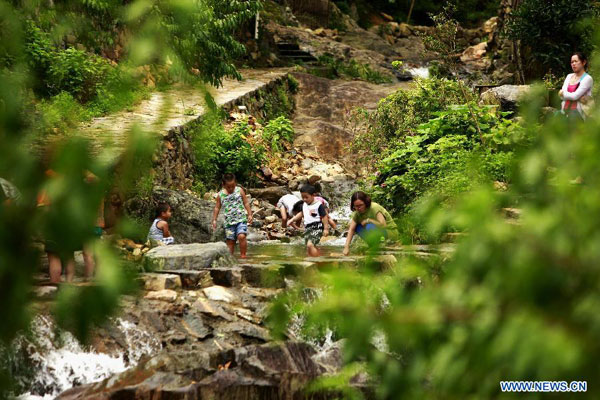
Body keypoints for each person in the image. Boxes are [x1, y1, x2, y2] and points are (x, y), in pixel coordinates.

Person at [343, 191, 398, 256]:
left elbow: (383, 225)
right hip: (377, 233)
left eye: (361, 205)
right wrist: (346, 247)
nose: (359, 208)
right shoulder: (357, 213)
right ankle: (373, 245)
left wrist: (368, 220)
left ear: (366, 202)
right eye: (356, 206)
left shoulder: (374, 207)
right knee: (357, 227)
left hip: (389, 232)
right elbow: (351, 229)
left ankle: (379, 244)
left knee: (369, 226)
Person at [212, 173, 253, 258]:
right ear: (223, 185)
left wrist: (249, 214)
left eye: (233, 186)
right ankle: (230, 259)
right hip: (229, 222)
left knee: (241, 236)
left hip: (241, 219)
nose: (231, 189)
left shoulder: (239, 190)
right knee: (230, 241)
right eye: (228, 187)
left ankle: (243, 256)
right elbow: (217, 208)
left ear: (235, 183)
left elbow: (246, 202)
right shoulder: (220, 195)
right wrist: (214, 220)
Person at [288, 184, 330, 257]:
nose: (304, 199)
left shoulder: (318, 205)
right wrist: (292, 219)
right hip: (308, 228)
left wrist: (326, 229)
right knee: (309, 247)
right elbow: (302, 213)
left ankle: (317, 259)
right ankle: (314, 259)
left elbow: (325, 216)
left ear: (313, 195)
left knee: (310, 245)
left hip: (317, 227)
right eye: (302, 197)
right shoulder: (304, 204)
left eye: (306, 197)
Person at [559, 52, 593, 119]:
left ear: (583, 62)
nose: (573, 64)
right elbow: (561, 97)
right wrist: (574, 96)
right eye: (572, 62)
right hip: (564, 111)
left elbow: (575, 96)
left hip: (578, 114)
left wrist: (563, 93)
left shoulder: (587, 78)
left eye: (576, 61)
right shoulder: (569, 76)